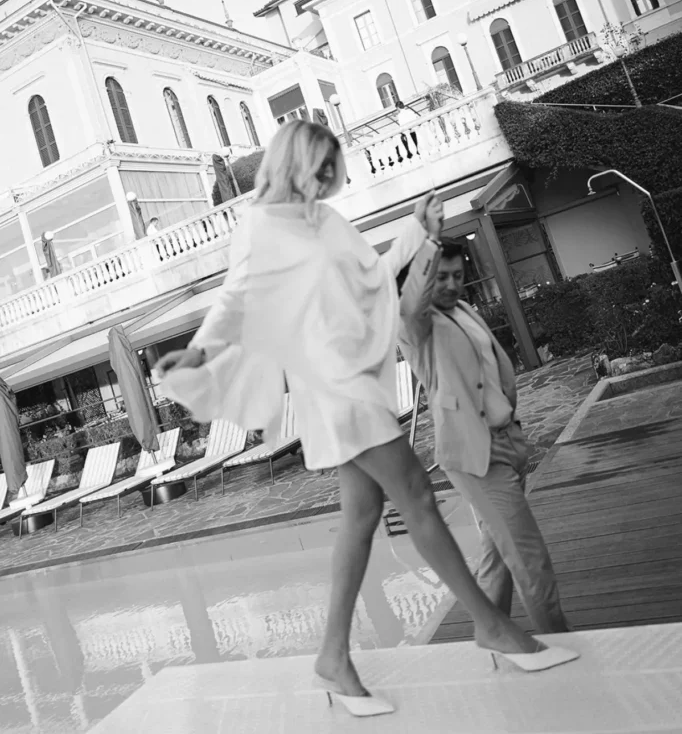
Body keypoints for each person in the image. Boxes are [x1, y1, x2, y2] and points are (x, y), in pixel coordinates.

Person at [156, 121, 577, 719]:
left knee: (360, 518)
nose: (332, 175)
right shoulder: (264, 223)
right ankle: (491, 625)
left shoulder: (326, 222)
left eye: (336, 164)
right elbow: (238, 296)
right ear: (297, 162)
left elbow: (373, 280)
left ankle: (333, 656)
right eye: (323, 164)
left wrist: (418, 233)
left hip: (354, 380)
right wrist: (199, 351)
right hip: (328, 384)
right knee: (417, 497)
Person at [399, 195, 571, 637]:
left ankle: (492, 642)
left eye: (458, 275)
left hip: (506, 442)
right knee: (530, 557)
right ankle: (562, 645)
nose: (453, 284)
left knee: (498, 555)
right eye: (442, 276)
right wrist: (428, 239)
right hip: (476, 454)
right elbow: (411, 301)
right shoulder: (416, 328)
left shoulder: (463, 309)